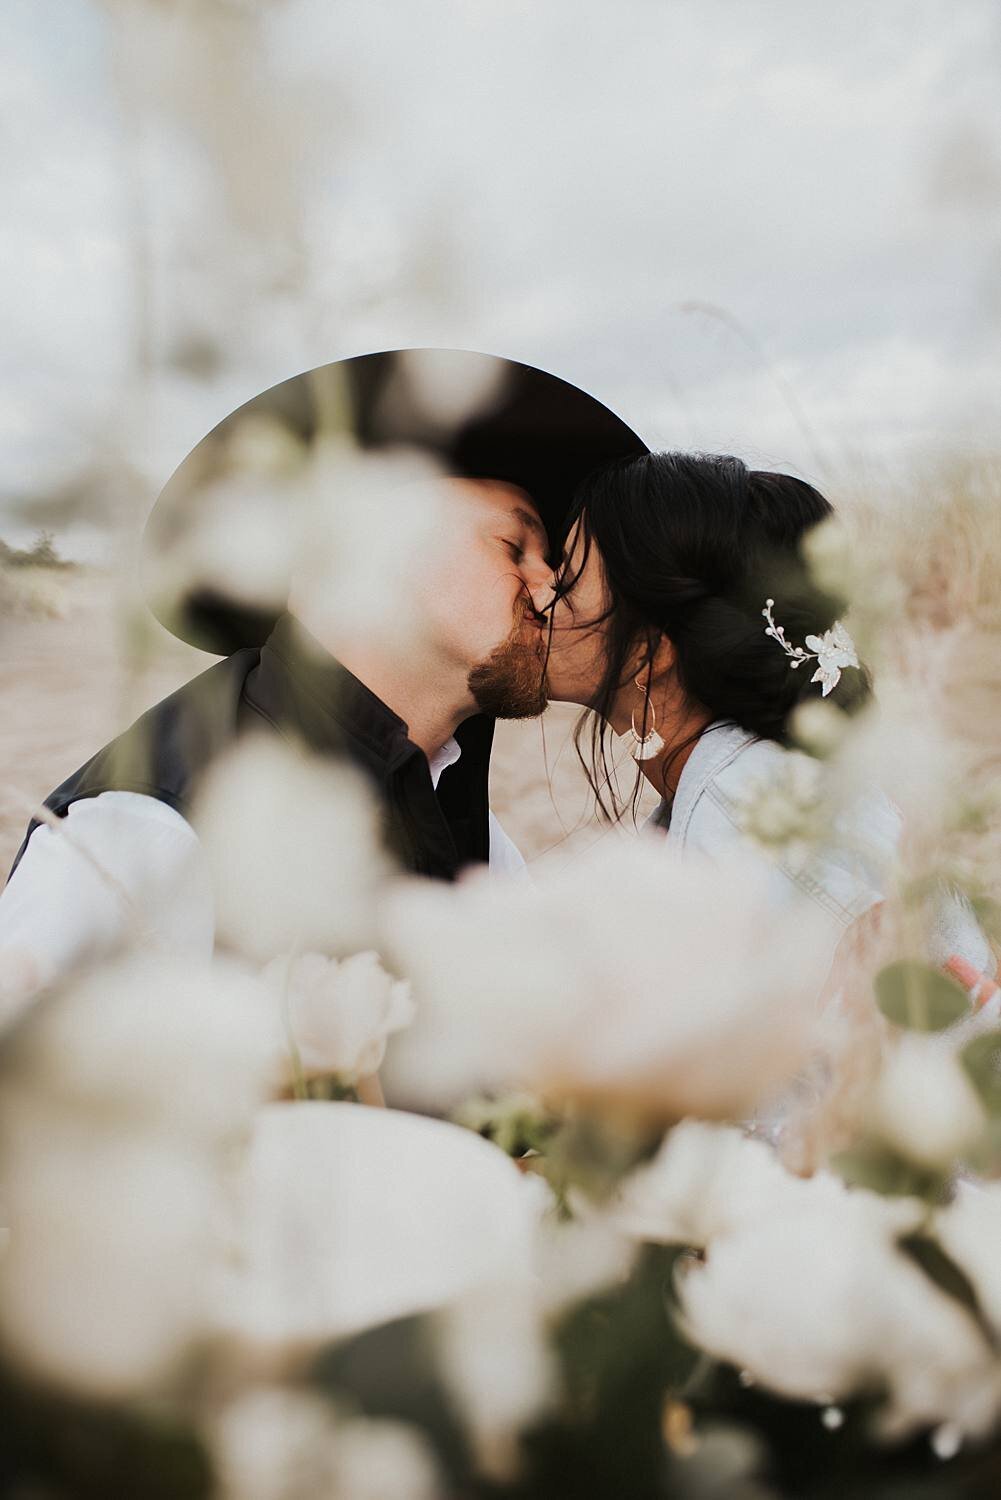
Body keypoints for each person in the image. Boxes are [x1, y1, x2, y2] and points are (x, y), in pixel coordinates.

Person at [0, 349, 647, 1004]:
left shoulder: (457, 804)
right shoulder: (149, 830)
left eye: (552, 560)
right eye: (515, 547)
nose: (550, 587)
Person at [543, 449, 997, 991]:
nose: (539, 594)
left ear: (647, 652)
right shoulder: (749, 791)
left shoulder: (749, 823)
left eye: (566, 582)